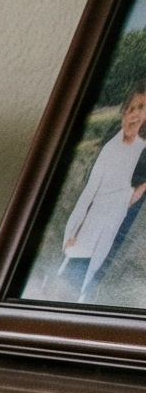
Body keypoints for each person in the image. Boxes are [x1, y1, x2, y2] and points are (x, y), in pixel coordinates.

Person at [56, 80, 146, 301]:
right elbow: (91, 189)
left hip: (122, 214)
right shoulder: (113, 143)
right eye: (131, 107)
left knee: (104, 255)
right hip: (97, 214)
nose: (133, 113)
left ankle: (86, 292)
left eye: (141, 108)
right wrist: (73, 229)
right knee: (78, 265)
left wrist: (139, 190)